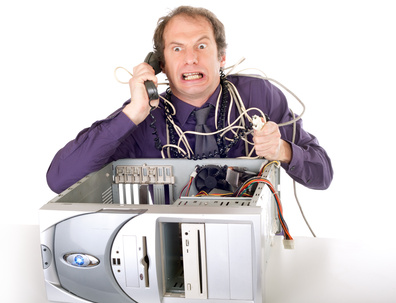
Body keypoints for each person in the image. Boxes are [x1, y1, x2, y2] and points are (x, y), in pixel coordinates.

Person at [46, 5, 333, 194]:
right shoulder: (144, 117)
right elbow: (59, 179)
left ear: (221, 57)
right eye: (177, 49)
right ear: (161, 65)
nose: (191, 58)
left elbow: (323, 174)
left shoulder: (259, 96)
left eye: (202, 45)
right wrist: (132, 112)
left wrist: (283, 150)